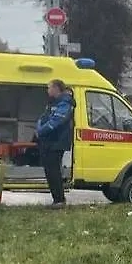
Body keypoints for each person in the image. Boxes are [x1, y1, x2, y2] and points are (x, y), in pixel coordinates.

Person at [35, 79, 76, 209]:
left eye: (49, 88)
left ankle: (59, 200)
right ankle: (56, 200)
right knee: (49, 170)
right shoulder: (53, 102)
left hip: (57, 142)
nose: (48, 90)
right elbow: (43, 117)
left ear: (56, 88)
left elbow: (56, 121)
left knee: (54, 171)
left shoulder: (65, 103)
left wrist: (40, 131)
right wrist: (39, 127)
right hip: (49, 141)